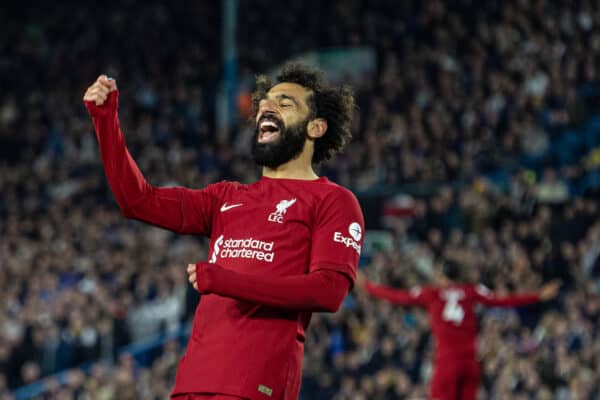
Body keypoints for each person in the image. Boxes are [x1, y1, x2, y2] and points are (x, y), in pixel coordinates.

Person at [82, 64, 364, 400]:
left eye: (285, 104)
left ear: (316, 127)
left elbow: (327, 292)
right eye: (265, 102)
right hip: (191, 382)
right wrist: (105, 120)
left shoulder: (334, 201)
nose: (267, 107)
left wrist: (225, 280)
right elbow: (138, 201)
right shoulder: (226, 197)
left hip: (255, 384)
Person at [356, 260, 561, 400]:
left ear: (442, 275)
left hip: (447, 364)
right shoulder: (471, 291)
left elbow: (398, 296)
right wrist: (538, 295)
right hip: (470, 365)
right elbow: (503, 299)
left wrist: (367, 286)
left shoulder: (432, 294)